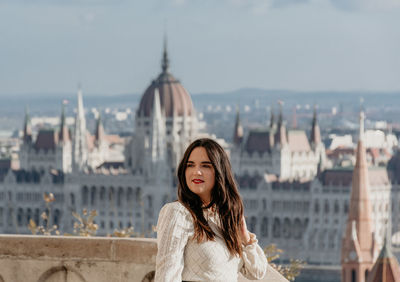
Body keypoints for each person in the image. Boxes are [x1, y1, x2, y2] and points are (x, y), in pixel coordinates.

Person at [155, 138, 268, 282]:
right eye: (190, 165)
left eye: (205, 166)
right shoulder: (178, 213)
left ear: (219, 172)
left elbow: (257, 272)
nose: (197, 172)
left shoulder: (223, 218)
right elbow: (166, 276)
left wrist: (245, 238)